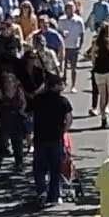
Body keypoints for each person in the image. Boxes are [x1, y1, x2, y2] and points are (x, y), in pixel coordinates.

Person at [30, 71, 73, 208]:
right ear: (56, 86)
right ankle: (54, 195)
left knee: (39, 167)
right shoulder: (63, 101)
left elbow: (28, 112)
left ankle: (41, 191)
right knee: (55, 168)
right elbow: (69, 119)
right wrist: (63, 130)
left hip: (39, 138)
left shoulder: (38, 99)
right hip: (56, 138)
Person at [91, 23, 109, 126]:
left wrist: (96, 63)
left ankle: (103, 118)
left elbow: (92, 57)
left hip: (99, 70)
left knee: (102, 96)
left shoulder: (96, 42)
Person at [59, 1, 84, 88]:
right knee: (64, 66)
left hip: (74, 46)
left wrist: (80, 45)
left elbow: (82, 34)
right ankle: (64, 81)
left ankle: (73, 85)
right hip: (64, 47)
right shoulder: (61, 20)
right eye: (68, 8)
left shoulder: (78, 20)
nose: (69, 9)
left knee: (74, 67)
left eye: (71, 8)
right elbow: (59, 32)